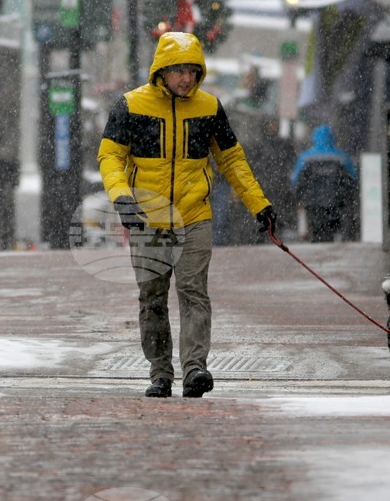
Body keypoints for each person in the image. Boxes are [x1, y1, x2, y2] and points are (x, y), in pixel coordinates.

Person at [97, 32, 277, 398]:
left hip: (194, 216)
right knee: (152, 298)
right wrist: (122, 199)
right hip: (147, 218)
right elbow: (110, 156)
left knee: (194, 292)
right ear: (161, 71)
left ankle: (195, 368)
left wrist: (259, 204)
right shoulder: (130, 106)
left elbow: (232, 160)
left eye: (193, 71)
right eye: (179, 71)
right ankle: (160, 372)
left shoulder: (209, 108)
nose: (186, 79)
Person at [289, 124, 358, 242]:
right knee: (331, 232)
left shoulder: (305, 158)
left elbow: (295, 179)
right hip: (336, 202)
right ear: (332, 138)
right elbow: (353, 177)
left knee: (316, 232)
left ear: (314, 138)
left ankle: (317, 244)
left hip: (312, 203)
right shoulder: (342, 158)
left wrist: (300, 195)